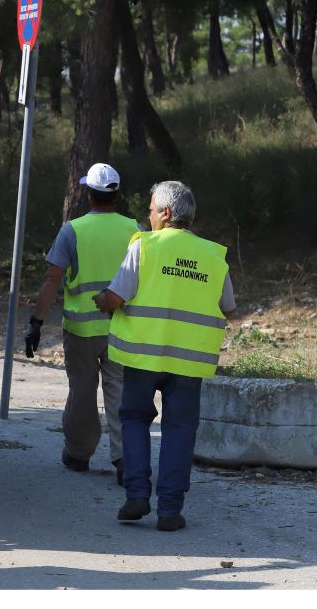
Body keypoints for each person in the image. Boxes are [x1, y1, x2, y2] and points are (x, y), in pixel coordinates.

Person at [93, 180, 236, 532]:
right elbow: (228, 308)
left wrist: (102, 300)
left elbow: (116, 297)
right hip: (188, 362)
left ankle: (137, 496)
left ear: (166, 213)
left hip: (143, 357)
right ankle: (170, 511)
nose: (148, 216)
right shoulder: (213, 255)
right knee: (180, 431)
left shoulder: (145, 246)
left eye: (151, 210)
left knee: (135, 420)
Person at [25, 163, 139, 484]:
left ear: (89, 194)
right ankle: (125, 459)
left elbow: (52, 280)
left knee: (83, 392)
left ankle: (78, 452)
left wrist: (36, 322)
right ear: (116, 194)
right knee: (119, 394)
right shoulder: (135, 230)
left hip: (82, 331)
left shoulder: (72, 230)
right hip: (122, 329)